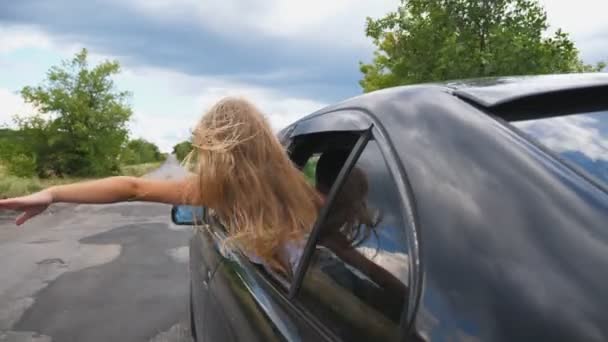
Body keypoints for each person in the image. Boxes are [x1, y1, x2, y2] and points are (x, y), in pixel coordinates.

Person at [0, 97, 322, 274]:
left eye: (204, 150)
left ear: (220, 152)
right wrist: (53, 192)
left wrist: (53, 193)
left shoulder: (217, 192)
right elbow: (131, 186)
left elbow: (132, 188)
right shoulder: (307, 195)